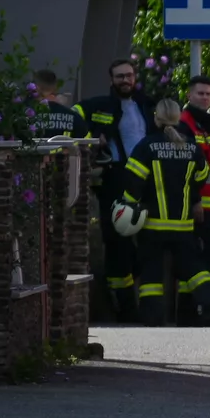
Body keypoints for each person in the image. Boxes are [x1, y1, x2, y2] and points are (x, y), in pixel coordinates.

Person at [119, 98, 210, 327]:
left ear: (156, 118)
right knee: (194, 268)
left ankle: (153, 316)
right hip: (183, 225)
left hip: (152, 225)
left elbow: (133, 183)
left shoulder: (146, 146)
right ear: (178, 119)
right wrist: (194, 200)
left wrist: (127, 207)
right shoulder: (191, 147)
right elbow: (202, 178)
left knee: (151, 272)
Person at [74, 59, 155, 323]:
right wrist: (91, 137)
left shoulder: (147, 104)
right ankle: (125, 309)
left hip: (148, 180)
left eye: (129, 75)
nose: (125, 80)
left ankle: (151, 308)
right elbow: (74, 115)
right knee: (117, 242)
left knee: (149, 242)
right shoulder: (100, 105)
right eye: (119, 76)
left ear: (136, 77)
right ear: (111, 80)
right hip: (115, 178)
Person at [175, 75, 210, 326]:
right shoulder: (184, 124)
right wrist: (195, 200)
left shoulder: (209, 125)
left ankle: (196, 310)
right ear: (189, 95)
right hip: (193, 204)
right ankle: (204, 308)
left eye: (208, 93)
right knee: (208, 255)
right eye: (200, 93)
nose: (205, 97)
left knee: (206, 256)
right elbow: (186, 167)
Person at [32, 70, 89, 139]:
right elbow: (83, 132)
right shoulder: (73, 116)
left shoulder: (25, 116)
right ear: (55, 88)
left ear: (36, 88)